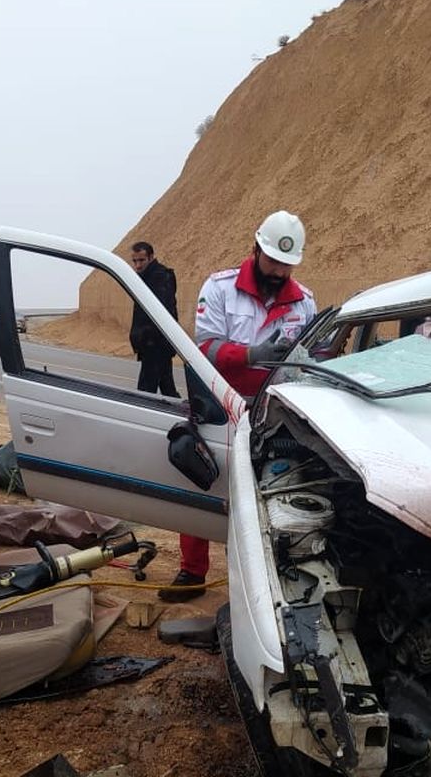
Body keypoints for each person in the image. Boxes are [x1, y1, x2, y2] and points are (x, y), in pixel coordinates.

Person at [160, 210, 317, 602]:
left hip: (274, 415)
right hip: (219, 408)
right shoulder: (220, 289)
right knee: (201, 482)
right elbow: (205, 348)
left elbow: (314, 355)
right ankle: (192, 572)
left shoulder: (305, 302)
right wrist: (252, 353)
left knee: (258, 498)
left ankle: (249, 585)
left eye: (287, 264)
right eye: (273, 261)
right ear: (256, 249)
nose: (280, 271)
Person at [128, 241, 180, 397]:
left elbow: (161, 313)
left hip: (156, 344)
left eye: (141, 260)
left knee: (145, 394)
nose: (137, 265)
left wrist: (144, 337)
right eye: (135, 261)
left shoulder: (160, 277)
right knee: (168, 390)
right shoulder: (145, 278)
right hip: (154, 344)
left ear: (150, 258)